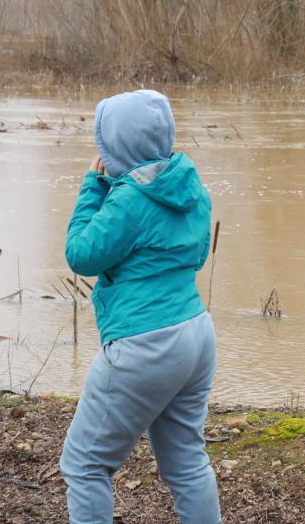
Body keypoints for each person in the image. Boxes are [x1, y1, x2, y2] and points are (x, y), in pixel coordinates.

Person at [59, 89, 220, 523]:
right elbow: (196, 254)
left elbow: (81, 255)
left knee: (84, 464)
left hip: (144, 343)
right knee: (187, 461)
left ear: (116, 147)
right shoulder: (191, 187)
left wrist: (93, 188)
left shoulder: (127, 199)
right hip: (196, 333)